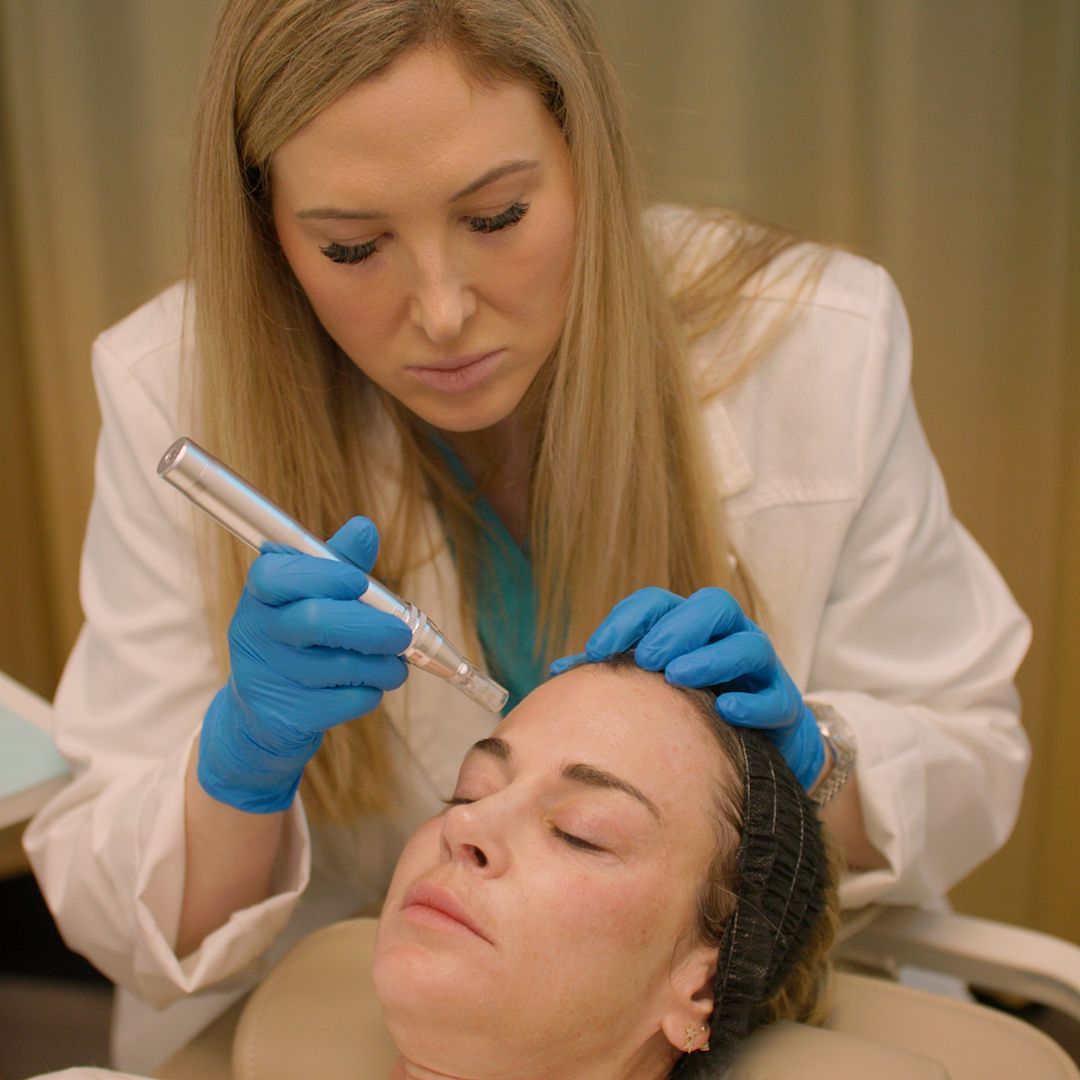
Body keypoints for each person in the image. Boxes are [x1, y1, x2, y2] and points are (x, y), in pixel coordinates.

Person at [24, 0, 1030, 1071]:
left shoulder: (816, 342)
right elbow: (117, 913)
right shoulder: (169, 389)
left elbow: (972, 754)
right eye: (354, 245)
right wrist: (241, 764)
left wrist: (817, 768)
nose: (443, 310)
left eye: (496, 216)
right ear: (268, 226)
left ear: (581, 153)